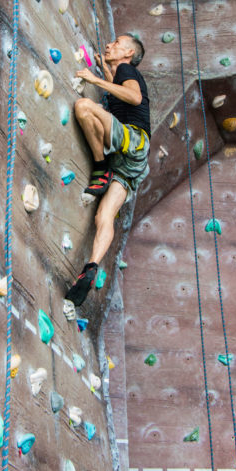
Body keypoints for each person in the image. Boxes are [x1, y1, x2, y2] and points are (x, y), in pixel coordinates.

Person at [64, 34, 151, 307]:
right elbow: (120, 92)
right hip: (132, 162)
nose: (110, 45)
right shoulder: (121, 74)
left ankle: (100, 168)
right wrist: (106, 71)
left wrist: (95, 79)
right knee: (104, 216)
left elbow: (134, 97)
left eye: (117, 43)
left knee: (84, 107)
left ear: (128, 53)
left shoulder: (129, 70)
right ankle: (90, 267)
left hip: (131, 141)